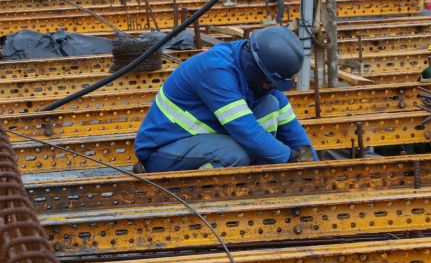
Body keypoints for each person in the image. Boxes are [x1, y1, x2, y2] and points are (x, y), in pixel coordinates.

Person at [134, 26, 317, 172]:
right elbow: (245, 129)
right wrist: (288, 157)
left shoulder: (261, 74)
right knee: (236, 154)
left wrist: (314, 168)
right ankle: (203, 197)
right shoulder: (215, 71)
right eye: (270, 83)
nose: (271, 87)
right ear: (257, 68)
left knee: (270, 105)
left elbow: (292, 129)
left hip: (202, 144)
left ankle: (260, 174)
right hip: (162, 153)